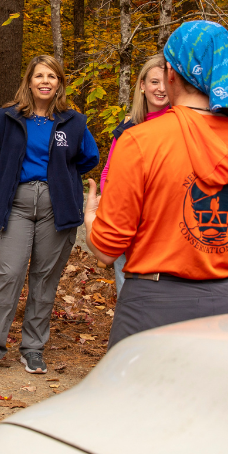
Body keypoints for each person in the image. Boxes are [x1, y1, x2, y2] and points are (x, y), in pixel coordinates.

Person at [84, 19, 228, 348]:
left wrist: (91, 218)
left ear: (172, 73)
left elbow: (105, 249)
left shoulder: (140, 141)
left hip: (152, 307)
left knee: (142, 400)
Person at [0, 56, 99, 376]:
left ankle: (32, 348)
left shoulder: (73, 122)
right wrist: (7, 171)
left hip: (56, 209)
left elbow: (88, 158)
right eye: (39, 75)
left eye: (52, 76)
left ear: (59, 83)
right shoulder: (7, 118)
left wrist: (59, 177)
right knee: (9, 274)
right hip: (15, 204)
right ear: (29, 81)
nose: (45, 81)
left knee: (44, 280)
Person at [98, 54, 170, 294]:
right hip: (128, 225)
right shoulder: (128, 128)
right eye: (154, 82)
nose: (161, 89)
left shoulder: (179, 126)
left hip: (164, 227)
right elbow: (109, 172)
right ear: (141, 85)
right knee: (127, 295)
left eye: (167, 82)